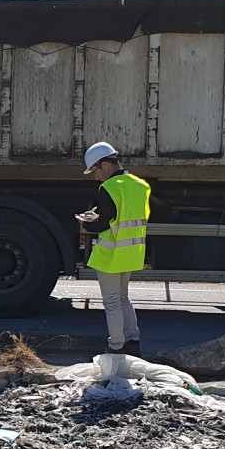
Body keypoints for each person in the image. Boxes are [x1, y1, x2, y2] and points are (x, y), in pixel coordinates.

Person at [75, 141, 150, 355]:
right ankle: (133, 341)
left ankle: (115, 346)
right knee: (124, 298)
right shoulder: (140, 185)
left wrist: (85, 222)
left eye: (95, 171)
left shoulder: (108, 187)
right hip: (131, 253)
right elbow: (125, 211)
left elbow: (103, 223)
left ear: (105, 165)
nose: (95, 176)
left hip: (111, 254)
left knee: (112, 303)